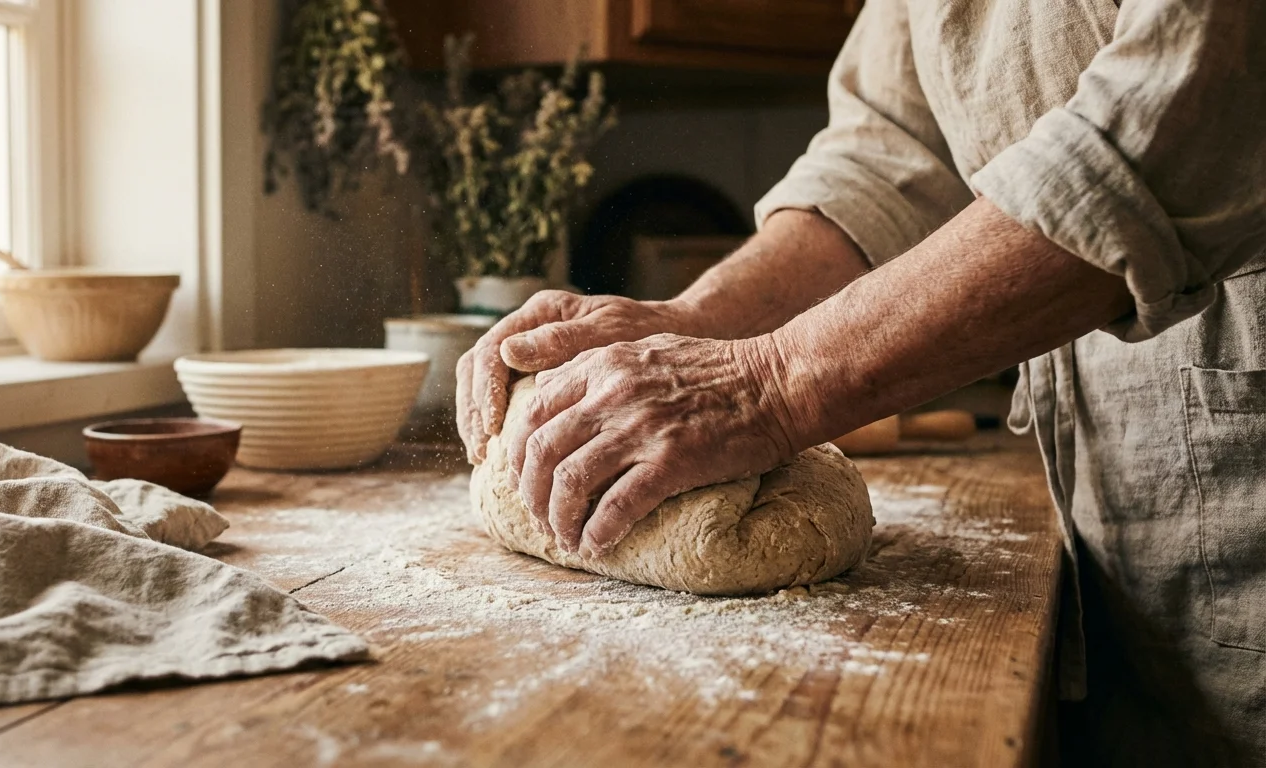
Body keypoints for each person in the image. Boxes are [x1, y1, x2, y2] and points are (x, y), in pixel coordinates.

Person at [454, 0, 1265, 764]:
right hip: (1116, 560)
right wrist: (697, 320)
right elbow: (892, 156)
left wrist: (765, 383)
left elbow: (1185, 118)